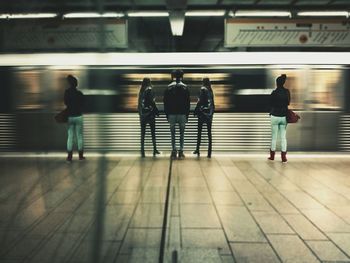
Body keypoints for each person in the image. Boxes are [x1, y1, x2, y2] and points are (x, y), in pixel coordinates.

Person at [163, 69, 190, 159]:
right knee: (182, 134)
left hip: (172, 114)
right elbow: (187, 103)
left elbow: (165, 102)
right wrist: (187, 115)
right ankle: (181, 151)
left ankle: (174, 151)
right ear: (182, 77)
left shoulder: (168, 87)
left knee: (173, 134)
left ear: (173, 76)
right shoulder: (185, 87)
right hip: (182, 114)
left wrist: (167, 114)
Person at [268, 74, 290, 163]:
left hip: (274, 116)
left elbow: (270, 103)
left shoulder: (274, 92)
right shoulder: (287, 92)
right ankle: (283, 157)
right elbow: (288, 102)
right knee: (283, 137)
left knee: (274, 137)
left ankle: (272, 156)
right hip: (283, 117)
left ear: (276, 83)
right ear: (283, 83)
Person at [64, 75, 85, 162]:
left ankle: (69, 157)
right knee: (79, 137)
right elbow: (83, 104)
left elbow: (65, 103)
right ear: (76, 84)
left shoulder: (67, 92)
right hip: (78, 116)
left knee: (70, 136)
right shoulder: (79, 93)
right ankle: (80, 156)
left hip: (70, 116)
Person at [138, 78, 160, 157]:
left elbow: (139, 105)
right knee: (153, 133)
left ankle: (142, 151)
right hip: (150, 115)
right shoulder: (150, 90)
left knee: (143, 134)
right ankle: (154, 149)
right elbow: (152, 102)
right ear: (149, 82)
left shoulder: (141, 91)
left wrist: (140, 114)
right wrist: (156, 112)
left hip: (143, 116)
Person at [193, 78, 215, 158]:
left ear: (203, 82)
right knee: (209, 134)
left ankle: (197, 149)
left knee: (199, 132)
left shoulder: (202, 89)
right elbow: (212, 104)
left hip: (202, 114)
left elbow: (199, 102)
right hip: (209, 115)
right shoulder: (211, 90)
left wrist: (195, 111)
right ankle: (209, 153)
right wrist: (211, 113)